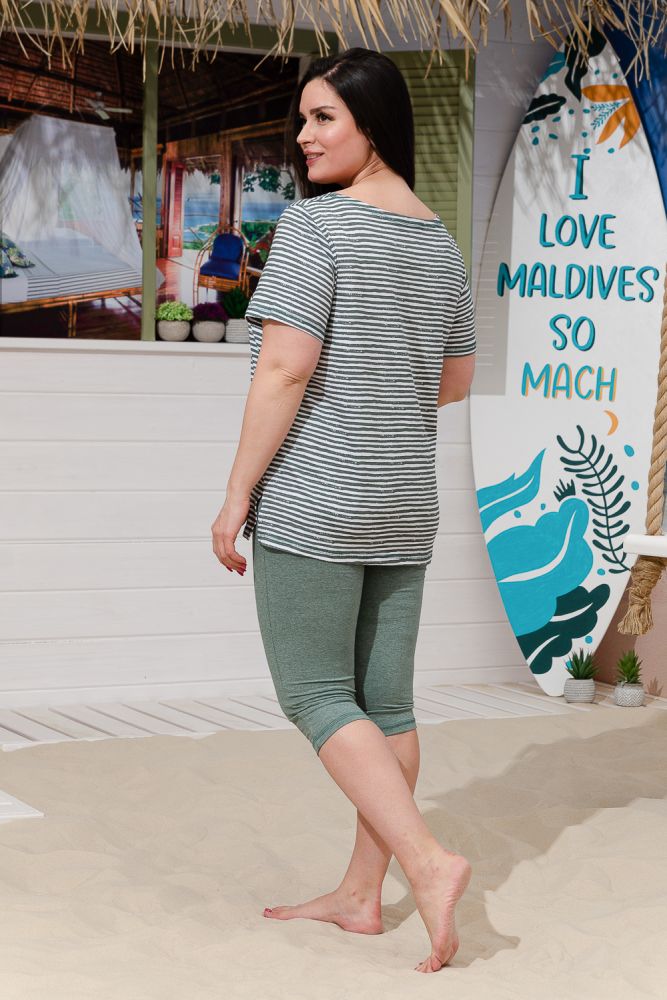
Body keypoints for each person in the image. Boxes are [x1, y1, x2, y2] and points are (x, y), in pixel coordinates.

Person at [211, 46, 476, 974]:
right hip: (402, 497)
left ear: (373, 122)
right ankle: (362, 897)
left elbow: (285, 371)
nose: (304, 134)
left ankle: (427, 863)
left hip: (318, 497)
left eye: (324, 117)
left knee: (317, 695)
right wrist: (378, 393)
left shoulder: (316, 227)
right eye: (303, 117)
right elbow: (453, 381)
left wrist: (237, 494)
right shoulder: (439, 241)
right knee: (385, 703)